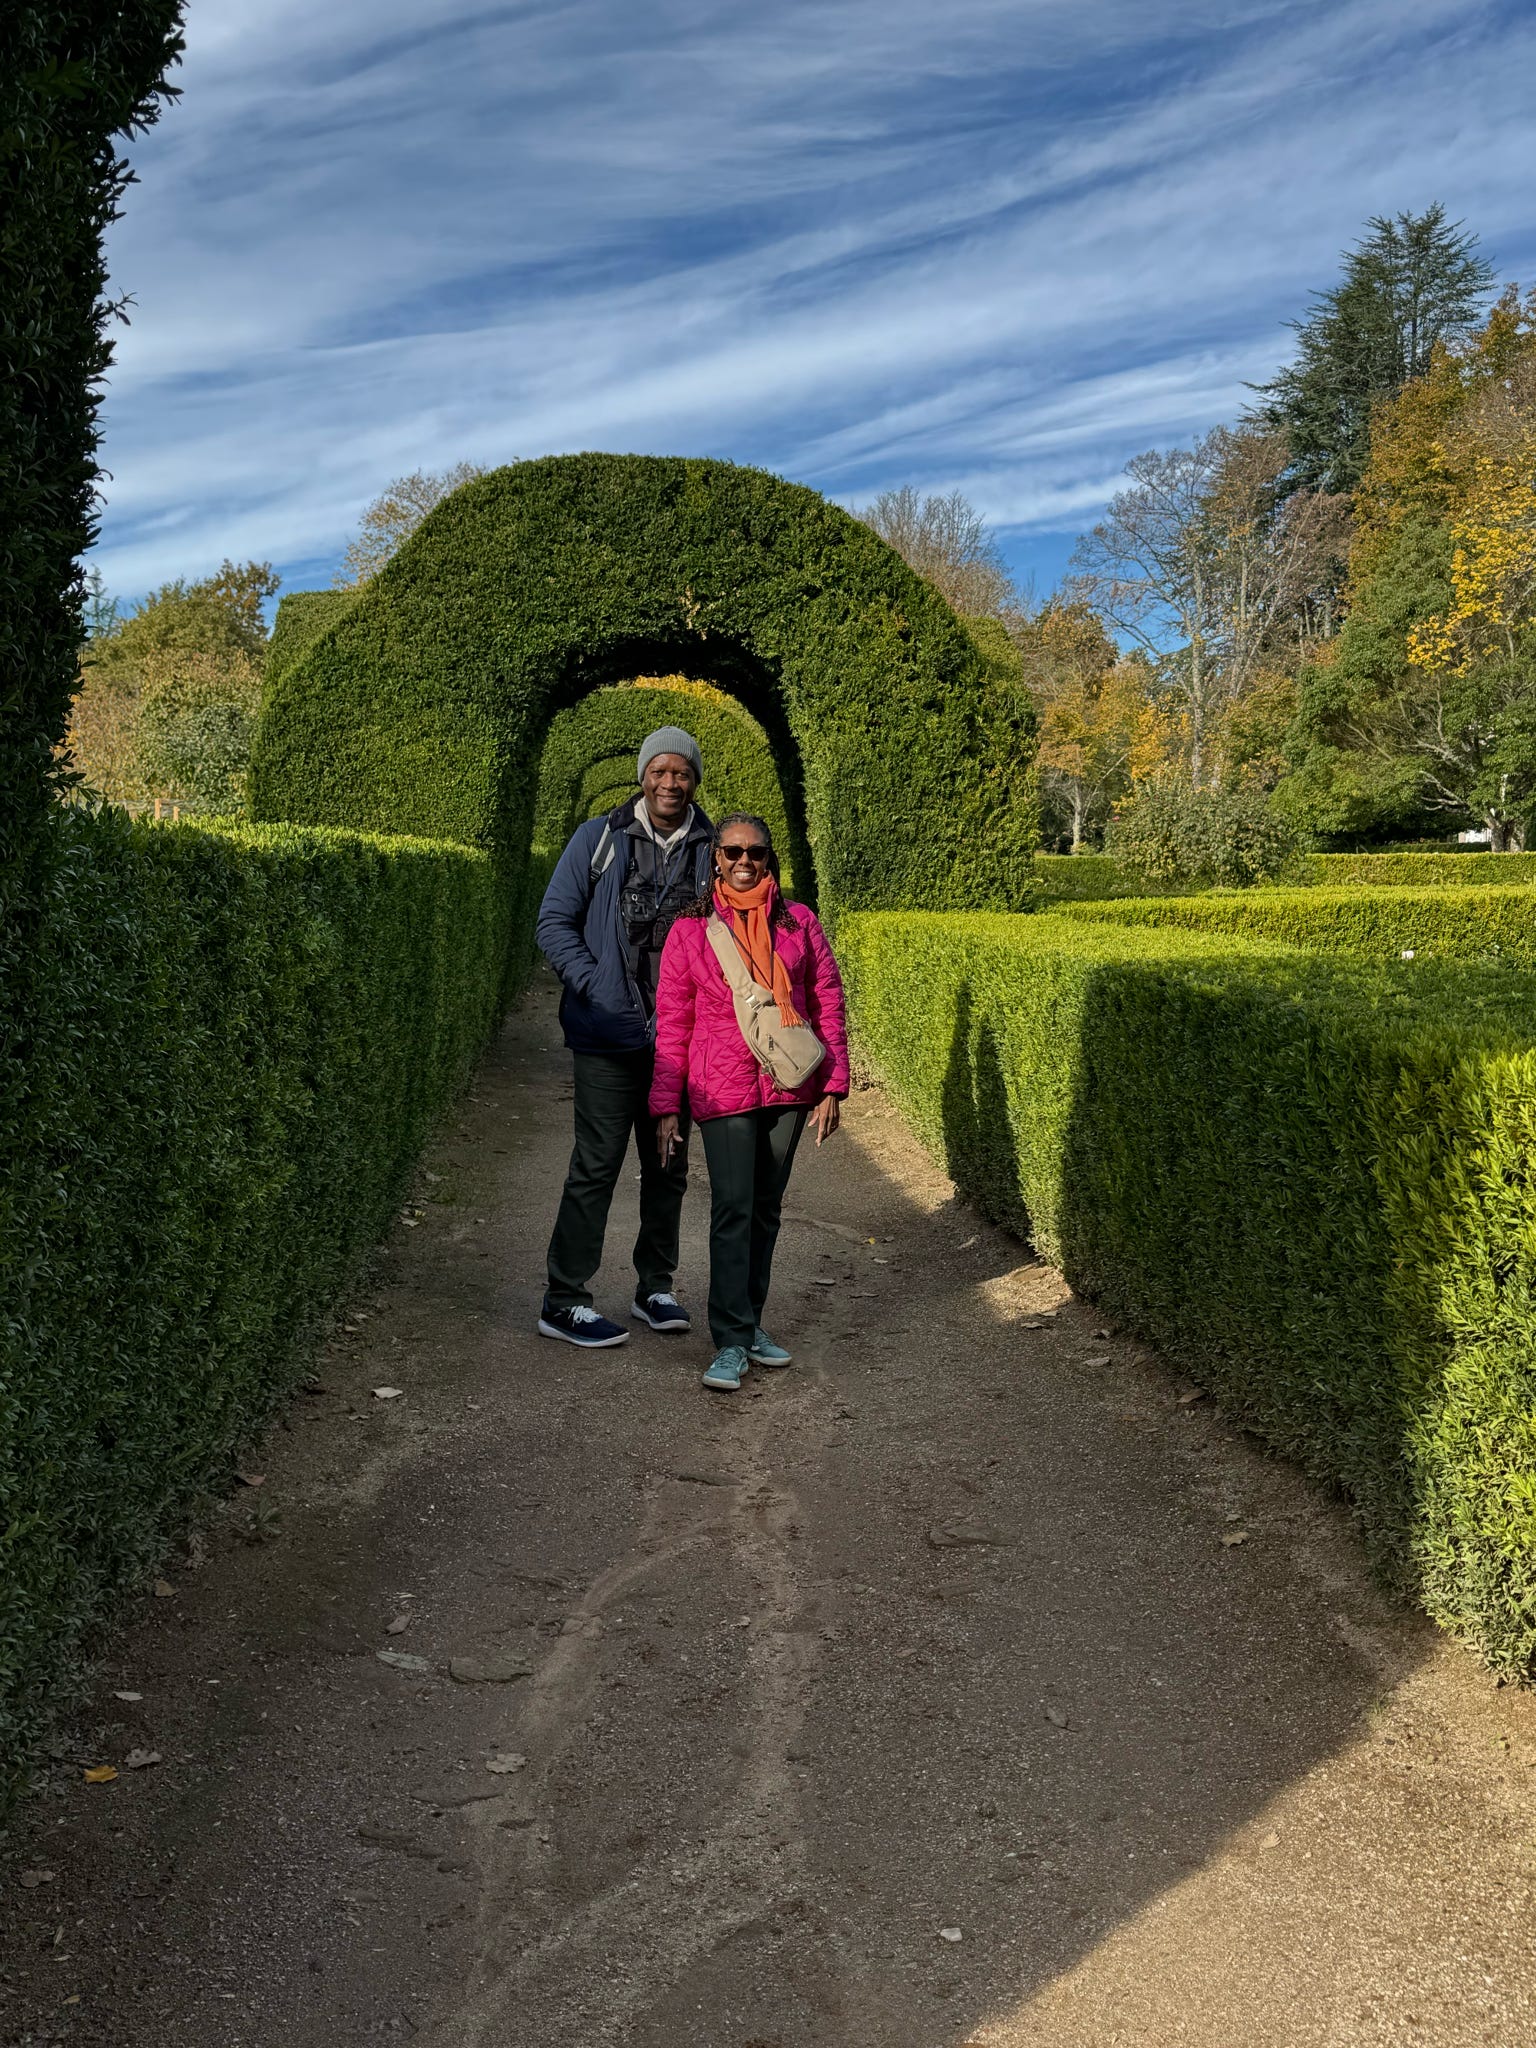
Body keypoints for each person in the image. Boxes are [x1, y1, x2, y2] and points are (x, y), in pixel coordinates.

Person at [650, 813, 849, 1391]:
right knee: (733, 1207)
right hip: (723, 1084)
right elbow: (673, 1021)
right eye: (733, 851)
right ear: (715, 857)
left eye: (755, 853)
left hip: (788, 1083)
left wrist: (833, 1085)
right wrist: (667, 1102)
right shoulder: (691, 931)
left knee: (766, 1208)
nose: (744, 862)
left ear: (769, 859)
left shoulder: (800, 923)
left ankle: (752, 1322)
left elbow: (826, 1000)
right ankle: (731, 1339)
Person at [534, 726, 714, 1347]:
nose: (670, 782)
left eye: (681, 772)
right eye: (659, 771)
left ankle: (654, 1287)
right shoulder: (599, 838)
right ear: (644, 776)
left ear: (694, 780)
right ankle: (564, 1299)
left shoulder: (713, 849)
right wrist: (597, 987)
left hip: (679, 1042)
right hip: (608, 1034)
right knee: (595, 1165)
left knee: (668, 1165)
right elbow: (554, 922)